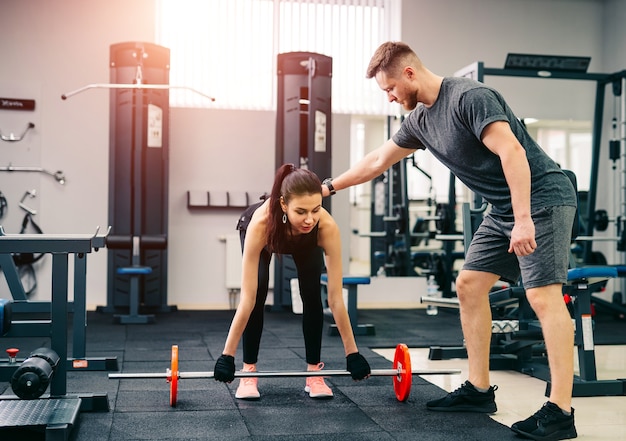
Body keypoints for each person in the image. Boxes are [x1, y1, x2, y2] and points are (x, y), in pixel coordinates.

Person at [320, 42, 578, 440]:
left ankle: (560, 410)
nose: (389, 97)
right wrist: (325, 188)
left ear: (409, 73)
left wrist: (523, 219)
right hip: (501, 206)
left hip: (541, 196)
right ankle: (478, 388)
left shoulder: (469, 97)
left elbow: (512, 151)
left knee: (543, 295)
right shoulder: (420, 121)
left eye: (389, 88)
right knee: (469, 285)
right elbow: (375, 161)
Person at [213, 164, 371, 400]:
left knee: (311, 294)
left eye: (316, 210)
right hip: (268, 236)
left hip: (304, 244)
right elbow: (246, 298)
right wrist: (227, 356)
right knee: (257, 295)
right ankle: (249, 372)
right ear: (284, 205)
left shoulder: (324, 227)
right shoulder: (261, 223)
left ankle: (314, 373)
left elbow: (336, 298)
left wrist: (353, 354)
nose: (310, 219)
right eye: (301, 211)